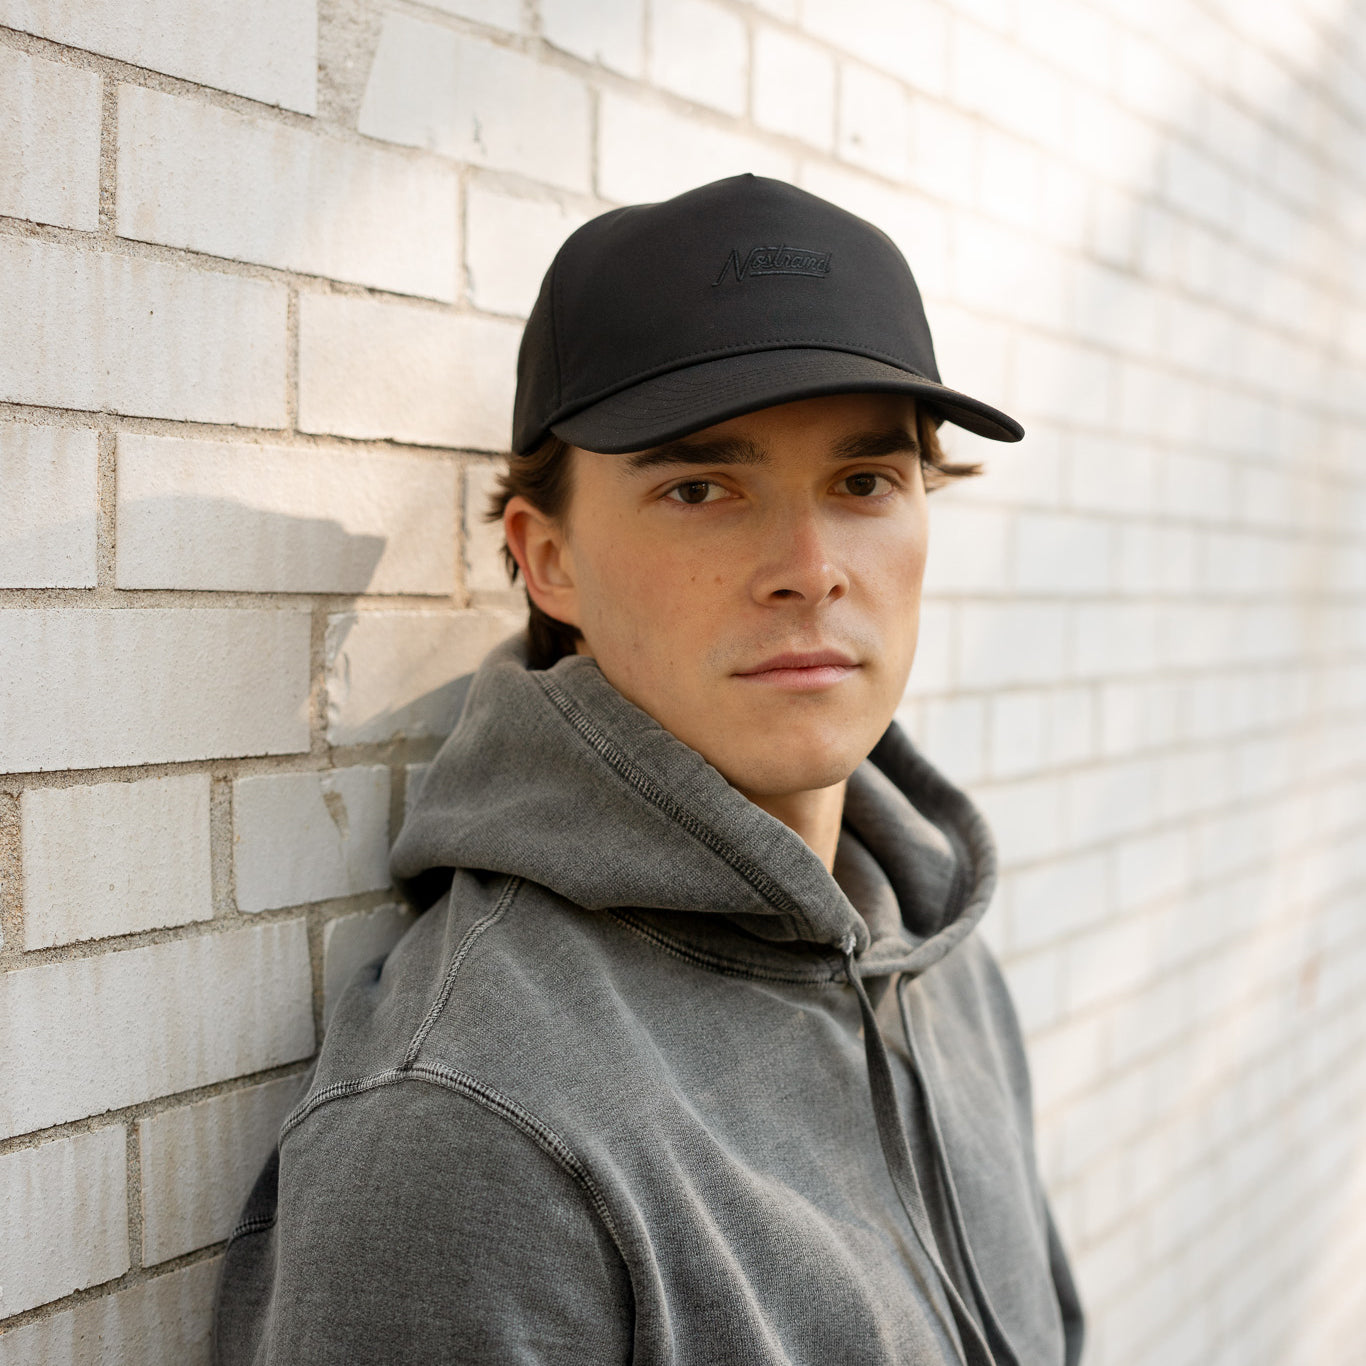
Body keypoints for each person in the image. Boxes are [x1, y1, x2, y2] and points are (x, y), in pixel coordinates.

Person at [215, 174, 1084, 1366]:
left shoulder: (937, 957)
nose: (810, 566)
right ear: (550, 558)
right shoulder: (470, 1126)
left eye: (864, 482)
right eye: (700, 488)